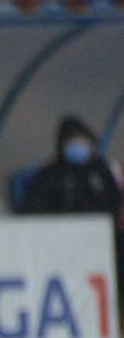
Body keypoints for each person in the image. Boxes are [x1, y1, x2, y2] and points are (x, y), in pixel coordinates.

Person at [19, 115, 124, 318]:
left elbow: (114, 204)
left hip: (106, 244)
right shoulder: (50, 175)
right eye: (72, 142)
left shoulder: (102, 171)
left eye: (82, 141)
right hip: (63, 247)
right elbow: (32, 211)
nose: (78, 147)